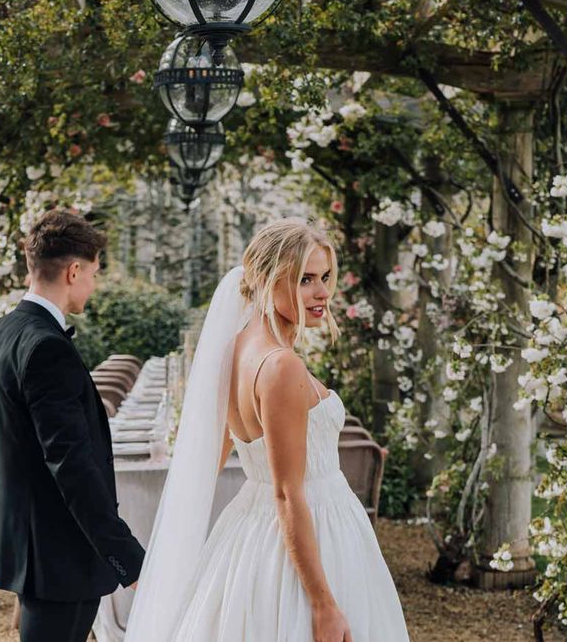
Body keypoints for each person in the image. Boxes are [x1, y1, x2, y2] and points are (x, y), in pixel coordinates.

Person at [125, 217, 410, 641]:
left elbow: (214, 455)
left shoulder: (234, 349)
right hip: (307, 529)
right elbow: (287, 492)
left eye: (325, 277)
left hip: (251, 528)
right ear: (264, 280)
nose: (322, 293)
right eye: (304, 279)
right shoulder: (279, 367)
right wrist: (322, 604)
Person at [0, 209, 145, 642]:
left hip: (25, 550)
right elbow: (72, 465)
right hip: (61, 558)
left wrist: (18, 502)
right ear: (74, 270)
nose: (94, 285)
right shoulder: (46, 347)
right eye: (94, 273)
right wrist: (126, 558)